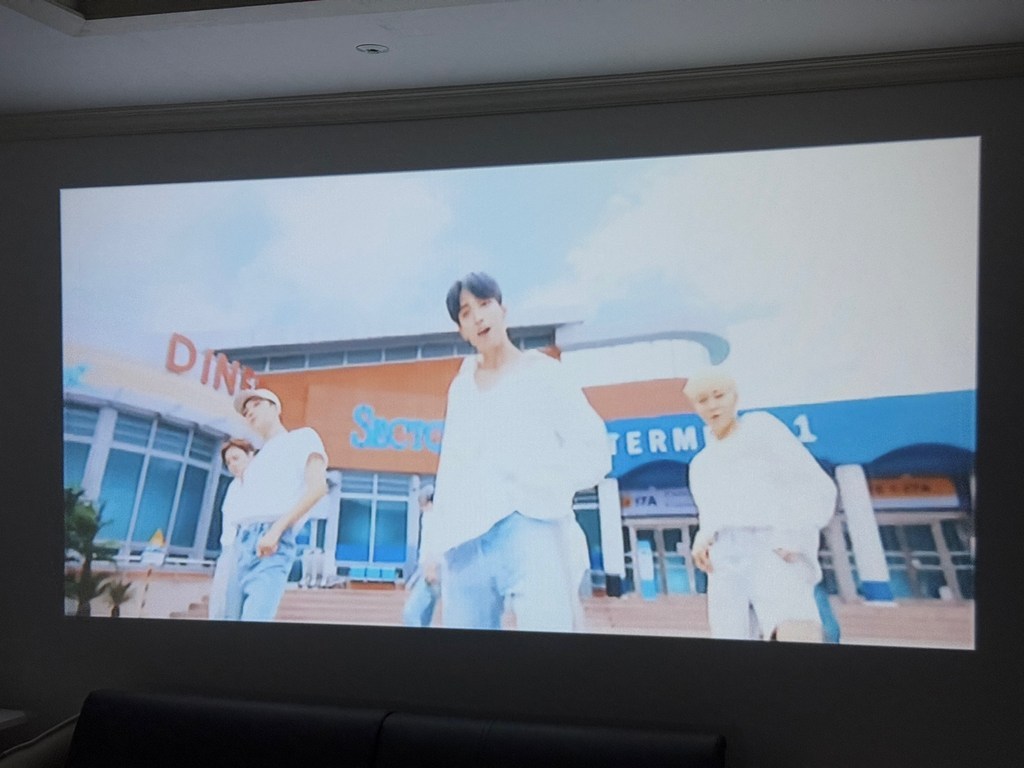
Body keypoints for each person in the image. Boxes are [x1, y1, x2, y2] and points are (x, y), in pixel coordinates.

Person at [421, 272, 611, 632]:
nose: (478, 317)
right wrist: (435, 546)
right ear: (461, 330)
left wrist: (541, 485)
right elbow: (451, 467)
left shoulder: (544, 373)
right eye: (466, 313)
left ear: (503, 310)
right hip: (465, 538)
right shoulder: (461, 387)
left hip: (530, 525)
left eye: (484, 304)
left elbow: (592, 447)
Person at [684, 369, 836, 642]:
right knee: (730, 632)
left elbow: (812, 483)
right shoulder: (701, 464)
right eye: (703, 400)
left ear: (734, 397)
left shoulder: (761, 429)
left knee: (793, 624)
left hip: (770, 543)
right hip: (724, 558)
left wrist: (795, 532)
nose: (712, 405)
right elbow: (710, 513)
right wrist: (702, 539)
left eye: (719, 396)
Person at [224, 387, 329, 622]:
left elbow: (318, 488)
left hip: (271, 541)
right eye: (246, 412)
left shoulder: (302, 438)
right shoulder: (256, 460)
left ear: (275, 408)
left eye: (256, 405)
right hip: (240, 543)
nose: (250, 412)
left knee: (254, 618)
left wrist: (276, 530)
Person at [208, 437, 255, 620]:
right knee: (221, 602)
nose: (232, 465)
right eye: (228, 462)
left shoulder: (262, 483)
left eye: (236, 458)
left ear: (250, 455)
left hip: (251, 547)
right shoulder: (233, 487)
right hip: (229, 548)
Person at [401, 484, 441, 627]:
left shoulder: (431, 517)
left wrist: (431, 568)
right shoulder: (433, 516)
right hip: (432, 570)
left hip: (432, 570)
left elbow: (433, 545)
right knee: (425, 618)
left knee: (410, 614)